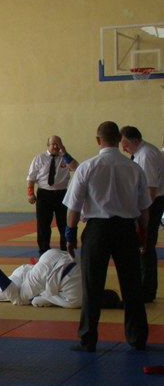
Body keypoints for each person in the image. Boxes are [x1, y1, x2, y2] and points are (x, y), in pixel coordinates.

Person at [63, 121, 149, 352]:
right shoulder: (134, 168)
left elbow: (73, 208)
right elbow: (144, 209)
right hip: (126, 230)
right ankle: (138, 338)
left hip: (97, 230)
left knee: (92, 286)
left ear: (98, 140)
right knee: (132, 286)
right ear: (119, 139)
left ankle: (88, 339)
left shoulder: (87, 167)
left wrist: (69, 235)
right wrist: (143, 234)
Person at [120, 125, 164, 303]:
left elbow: (150, 188)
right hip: (148, 204)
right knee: (143, 247)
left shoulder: (146, 155)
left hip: (151, 205)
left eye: (125, 144)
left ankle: (147, 290)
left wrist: (142, 213)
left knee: (145, 246)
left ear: (136, 140)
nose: (123, 148)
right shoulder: (142, 153)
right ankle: (144, 287)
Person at [26, 136, 79, 255]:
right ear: (48, 145)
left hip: (61, 195)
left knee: (63, 224)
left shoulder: (65, 158)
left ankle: (65, 251)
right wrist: (30, 193)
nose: (56, 146)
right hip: (44, 195)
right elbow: (31, 177)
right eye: (53, 144)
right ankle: (44, 251)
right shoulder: (39, 158)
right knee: (43, 225)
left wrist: (64, 153)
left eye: (58, 144)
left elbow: (76, 167)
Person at [0, 248, 82, 308]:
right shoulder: (74, 300)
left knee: (9, 289)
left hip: (54, 256)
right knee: (19, 299)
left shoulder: (78, 295)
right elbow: (46, 296)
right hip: (45, 273)